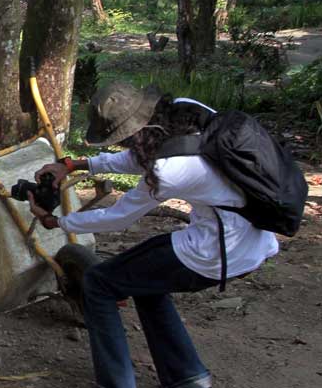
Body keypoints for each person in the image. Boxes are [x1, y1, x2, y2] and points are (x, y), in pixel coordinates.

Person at [28, 82, 278, 388]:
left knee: (99, 282)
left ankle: (117, 382)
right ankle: (188, 377)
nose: (124, 147)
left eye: (123, 140)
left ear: (135, 134)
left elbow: (119, 217)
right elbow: (143, 156)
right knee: (145, 280)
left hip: (217, 251)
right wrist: (76, 164)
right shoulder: (188, 113)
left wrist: (56, 222)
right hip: (254, 236)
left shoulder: (167, 171)